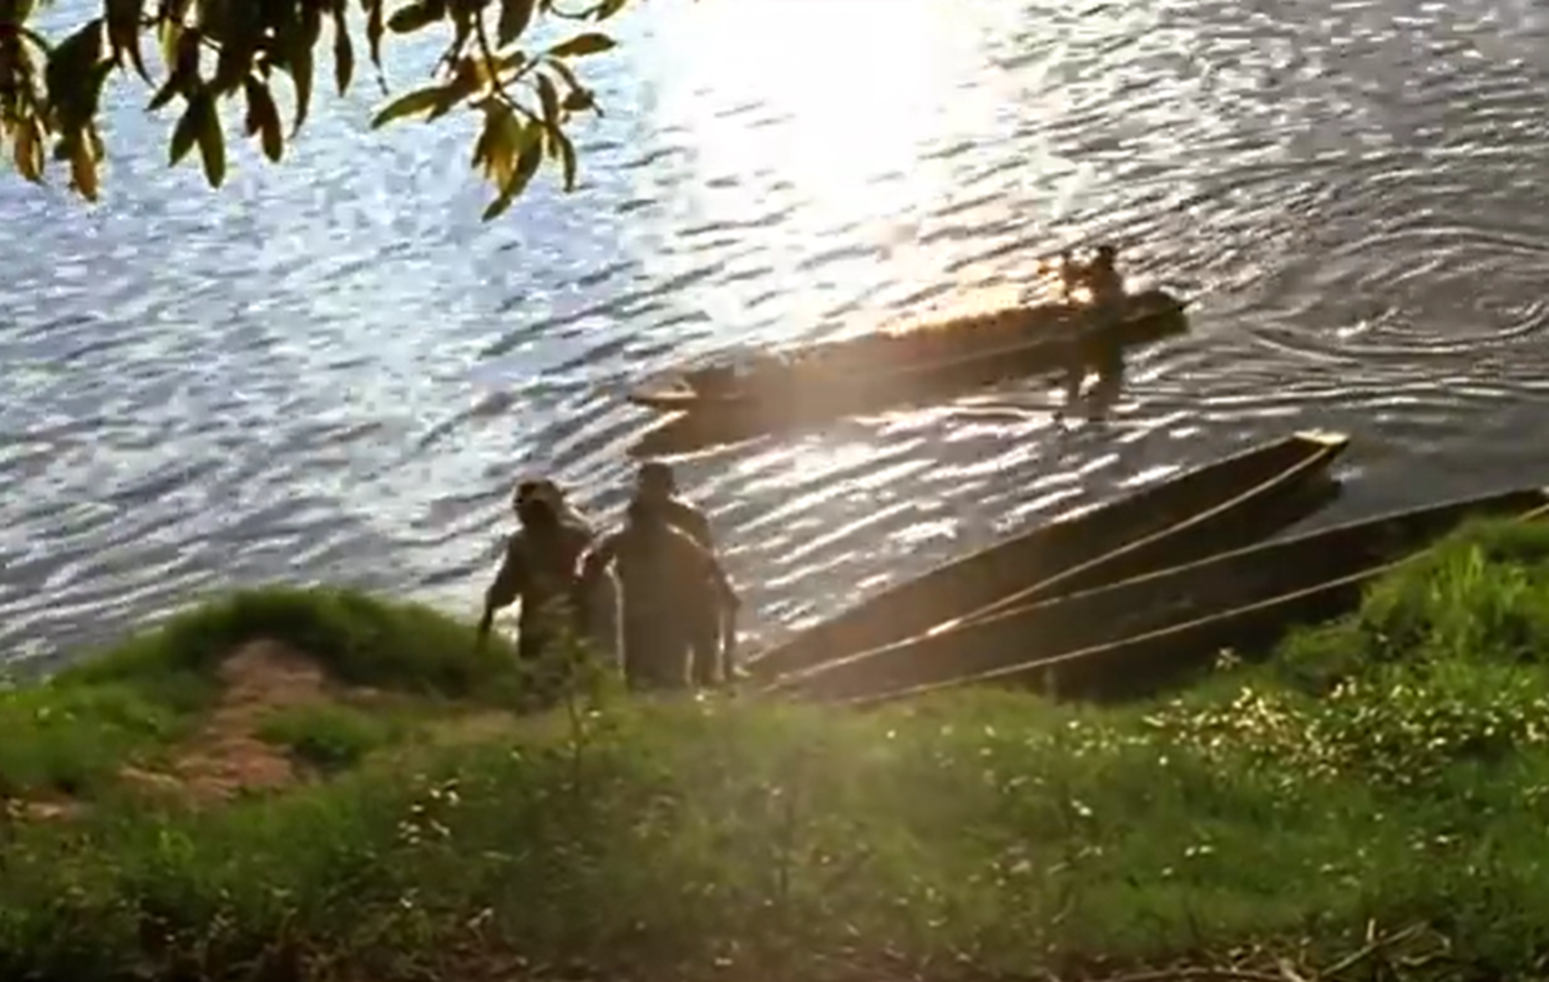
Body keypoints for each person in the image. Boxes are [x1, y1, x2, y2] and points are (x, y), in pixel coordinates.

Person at [577, 496, 740, 693]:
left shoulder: (669, 539)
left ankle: (674, 700)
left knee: (665, 668)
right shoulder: (627, 539)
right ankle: (656, 703)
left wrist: (722, 592)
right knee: (638, 671)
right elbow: (594, 562)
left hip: (663, 614)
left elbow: (707, 564)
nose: (645, 528)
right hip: (639, 615)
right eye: (640, 523)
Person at [633, 460, 733, 684]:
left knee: (701, 655)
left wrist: (724, 589)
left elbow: (707, 556)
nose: (645, 491)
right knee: (671, 663)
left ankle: (703, 695)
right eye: (644, 486)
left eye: (649, 485)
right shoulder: (640, 518)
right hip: (664, 599)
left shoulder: (687, 516)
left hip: (691, 592)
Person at [477, 480, 595, 663]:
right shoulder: (577, 534)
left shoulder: (521, 542)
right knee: (573, 669)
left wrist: (488, 613)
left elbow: (505, 587)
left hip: (538, 618)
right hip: (572, 613)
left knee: (536, 672)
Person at [1059, 244, 1131, 415]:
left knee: (1099, 366)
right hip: (1101, 313)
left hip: (1109, 316)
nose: (1097, 261)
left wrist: (1080, 305)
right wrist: (1067, 264)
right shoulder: (1098, 269)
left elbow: (1102, 302)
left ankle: (1083, 368)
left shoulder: (1112, 279)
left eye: (1101, 258)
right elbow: (1080, 274)